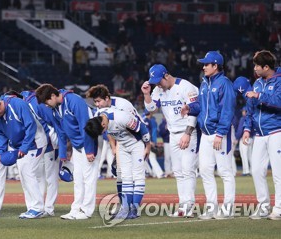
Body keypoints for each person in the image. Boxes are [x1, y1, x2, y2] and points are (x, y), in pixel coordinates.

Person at [183, 51, 236, 219]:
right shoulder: (204, 83)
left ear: (216, 66)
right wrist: (190, 108)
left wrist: (221, 133)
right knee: (205, 171)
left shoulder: (224, 83)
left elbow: (227, 110)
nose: (204, 66)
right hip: (205, 134)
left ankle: (228, 209)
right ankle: (211, 208)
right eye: (204, 64)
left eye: (207, 64)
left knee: (225, 172)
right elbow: (202, 107)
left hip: (220, 133)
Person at [141, 64, 200, 217]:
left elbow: (195, 109)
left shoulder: (185, 86)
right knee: (178, 172)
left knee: (188, 170)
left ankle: (190, 206)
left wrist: (188, 132)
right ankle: (183, 206)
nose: (157, 84)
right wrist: (147, 94)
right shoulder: (159, 89)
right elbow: (151, 109)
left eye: (159, 81)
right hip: (173, 134)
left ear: (166, 75)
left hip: (188, 131)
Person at [35, 84, 99, 220]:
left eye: (46, 101)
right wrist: (63, 154)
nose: (46, 105)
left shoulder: (74, 101)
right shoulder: (55, 109)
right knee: (78, 180)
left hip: (88, 145)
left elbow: (85, 126)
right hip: (77, 147)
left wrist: (89, 150)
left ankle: (86, 211)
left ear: (53, 96)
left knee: (89, 179)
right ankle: (76, 209)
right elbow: (61, 132)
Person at [0, 93, 47, 219]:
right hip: (19, 145)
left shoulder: (17, 104)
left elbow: (30, 125)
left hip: (35, 142)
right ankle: (32, 208)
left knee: (28, 172)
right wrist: (0, 152)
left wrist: (25, 147)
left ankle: (38, 208)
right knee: (23, 175)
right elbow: (0, 134)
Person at [85, 107, 151, 219]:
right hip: (123, 145)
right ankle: (125, 209)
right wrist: (114, 147)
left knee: (138, 175)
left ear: (103, 125)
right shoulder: (99, 118)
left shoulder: (121, 118)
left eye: (102, 131)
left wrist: (148, 146)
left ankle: (135, 209)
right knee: (125, 177)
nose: (104, 133)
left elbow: (142, 128)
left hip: (136, 144)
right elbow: (111, 134)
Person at [242, 50, 281, 220]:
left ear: (266, 67)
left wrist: (259, 95)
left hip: (276, 131)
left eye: (258, 65)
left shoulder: (279, 81)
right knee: (256, 170)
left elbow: (279, 102)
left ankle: (279, 208)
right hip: (259, 134)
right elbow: (250, 108)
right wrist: (246, 128)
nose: (255, 68)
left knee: (279, 172)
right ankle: (263, 206)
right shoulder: (257, 82)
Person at [21, 90, 62, 217]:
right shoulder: (33, 103)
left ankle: (48, 208)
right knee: (43, 177)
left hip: (49, 143)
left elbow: (54, 125)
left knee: (50, 177)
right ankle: (41, 207)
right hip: (41, 144)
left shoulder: (35, 104)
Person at [232, 77, 253, 177]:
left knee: (244, 155)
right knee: (250, 155)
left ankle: (246, 171)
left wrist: (236, 137)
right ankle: (251, 171)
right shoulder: (252, 115)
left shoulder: (244, 118)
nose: (243, 112)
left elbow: (240, 128)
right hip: (253, 136)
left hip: (245, 137)